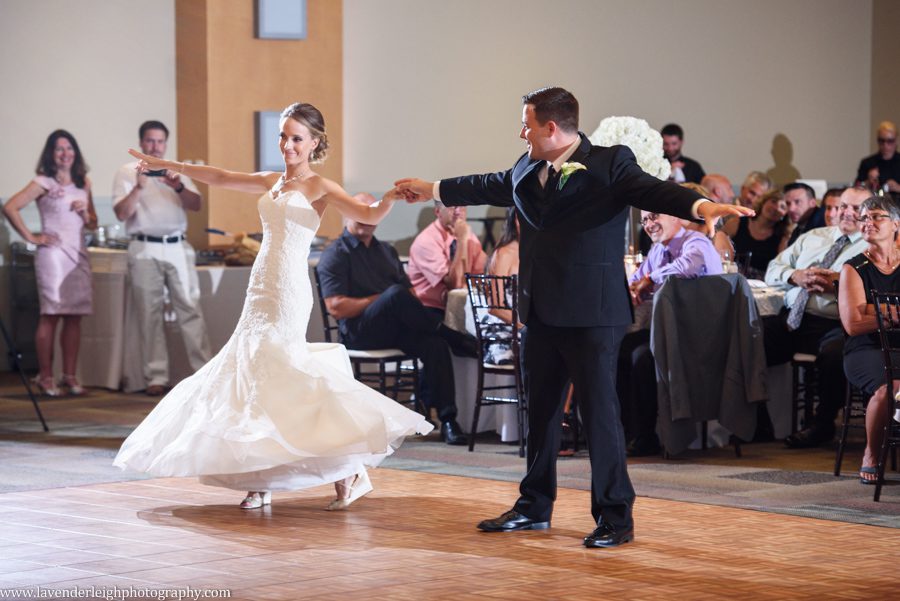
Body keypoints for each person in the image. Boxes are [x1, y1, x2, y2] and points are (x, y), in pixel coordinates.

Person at [395, 86, 750, 549]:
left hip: (592, 313)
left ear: (550, 127)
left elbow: (652, 189)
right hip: (541, 310)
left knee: (599, 413)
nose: (520, 132)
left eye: (526, 124)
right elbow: (487, 184)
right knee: (539, 412)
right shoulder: (526, 166)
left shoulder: (609, 162)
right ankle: (534, 506)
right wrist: (434, 188)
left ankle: (615, 516)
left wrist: (701, 207)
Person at [114, 102, 432, 511]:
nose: (287, 145)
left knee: (280, 371)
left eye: (296, 138)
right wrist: (164, 164)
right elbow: (221, 177)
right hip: (260, 285)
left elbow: (368, 213)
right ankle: (262, 478)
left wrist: (388, 196)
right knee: (251, 374)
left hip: (288, 289)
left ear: (314, 142)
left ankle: (346, 468)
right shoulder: (272, 181)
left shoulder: (320, 186)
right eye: (283, 136)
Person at [315, 193, 472, 445]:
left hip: (394, 327)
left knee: (435, 344)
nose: (368, 217)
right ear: (348, 213)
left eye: (373, 211)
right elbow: (337, 308)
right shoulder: (335, 253)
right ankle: (449, 334)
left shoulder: (385, 251)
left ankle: (448, 421)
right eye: (361, 210)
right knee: (395, 295)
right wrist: (381, 299)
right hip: (359, 331)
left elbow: (410, 295)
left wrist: (391, 301)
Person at [763, 186, 872, 448]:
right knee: (750, 337)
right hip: (794, 318)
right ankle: (756, 421)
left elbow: (874, 289)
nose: (847, 213)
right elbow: (773, 268)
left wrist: (837, 286)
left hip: (836, 322)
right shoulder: (813, 236)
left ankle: (821, 424)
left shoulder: (872, 246)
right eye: (843, 206)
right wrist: (795, 276)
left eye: (856, 208)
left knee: (835, 354)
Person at [113, 120, 211, 396]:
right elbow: (121, 213)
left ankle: (202, 372)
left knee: (190, 309)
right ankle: (156, 376)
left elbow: (196, 205)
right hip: (144, 247)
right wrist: (139, 187)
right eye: (149, 141)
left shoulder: (177, 169)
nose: (154, 146)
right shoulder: (126, 171)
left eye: (159, 142)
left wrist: (178, 186)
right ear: (141, 143)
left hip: (177, 245)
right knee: (149, 312)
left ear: (166, 144)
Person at [618, 210, 724, 457]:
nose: (649, 224)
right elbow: (636, 279)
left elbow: (686, 267)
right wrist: (632, 288)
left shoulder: (695, 242)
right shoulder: (657, 250)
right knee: (617, 348)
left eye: (655, 216)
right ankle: (626, 431)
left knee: (642, 357)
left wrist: (650, 279)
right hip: (668, 332)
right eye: (644, 220)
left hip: (698, 336)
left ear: (677, 217)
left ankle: (647, 435)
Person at [2, 130, 97, 396]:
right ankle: (45, 376)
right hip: (53, 256)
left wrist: (85, 213)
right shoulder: (43, 182)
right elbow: (10, 206)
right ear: (51, 154)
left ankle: (69, 375)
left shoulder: (84, 182)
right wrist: (32, 237)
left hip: (78, 253)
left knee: (75, 317)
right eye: (59, 149)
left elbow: (93, 222)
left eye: (69, 148)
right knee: (51, 315)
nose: (65, 153)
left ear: (75, 152)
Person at [838, 197, 900, 483]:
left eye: (877, 217)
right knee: (891, 388)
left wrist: (876, 309)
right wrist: (892, 314)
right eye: (864, 218)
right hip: (866, 349)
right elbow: (853, 323)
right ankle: (872, 455)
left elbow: (865, 313)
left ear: (896, 224)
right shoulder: (853, 268)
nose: (868, 223)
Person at [407, 201, 487, 315]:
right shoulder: (426, 241)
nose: (458, 211)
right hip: (429, 310)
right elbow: (455, 285)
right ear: (438, 212)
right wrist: (462, 241)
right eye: (452, 207)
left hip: (463, 305)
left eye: (462, 206)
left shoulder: (469, 236)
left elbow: (484, 273)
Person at [722, 189, 790, 279]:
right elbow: (718, 248)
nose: (776, 208)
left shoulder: (783, 238)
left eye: (782, 207)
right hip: (731, 277)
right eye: (773, 202)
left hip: (762, 285)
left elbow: (780, 268)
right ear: (763, 202)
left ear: (785, 215)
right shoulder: (736, 223)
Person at [856, 121, 900, 194]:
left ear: (896, 141)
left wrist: (898, 188)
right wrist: (868, 181)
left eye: (890, 141)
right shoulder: (868, 163)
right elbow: (856, 189)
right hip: (875, 203)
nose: (885, 145)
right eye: (881, 141)